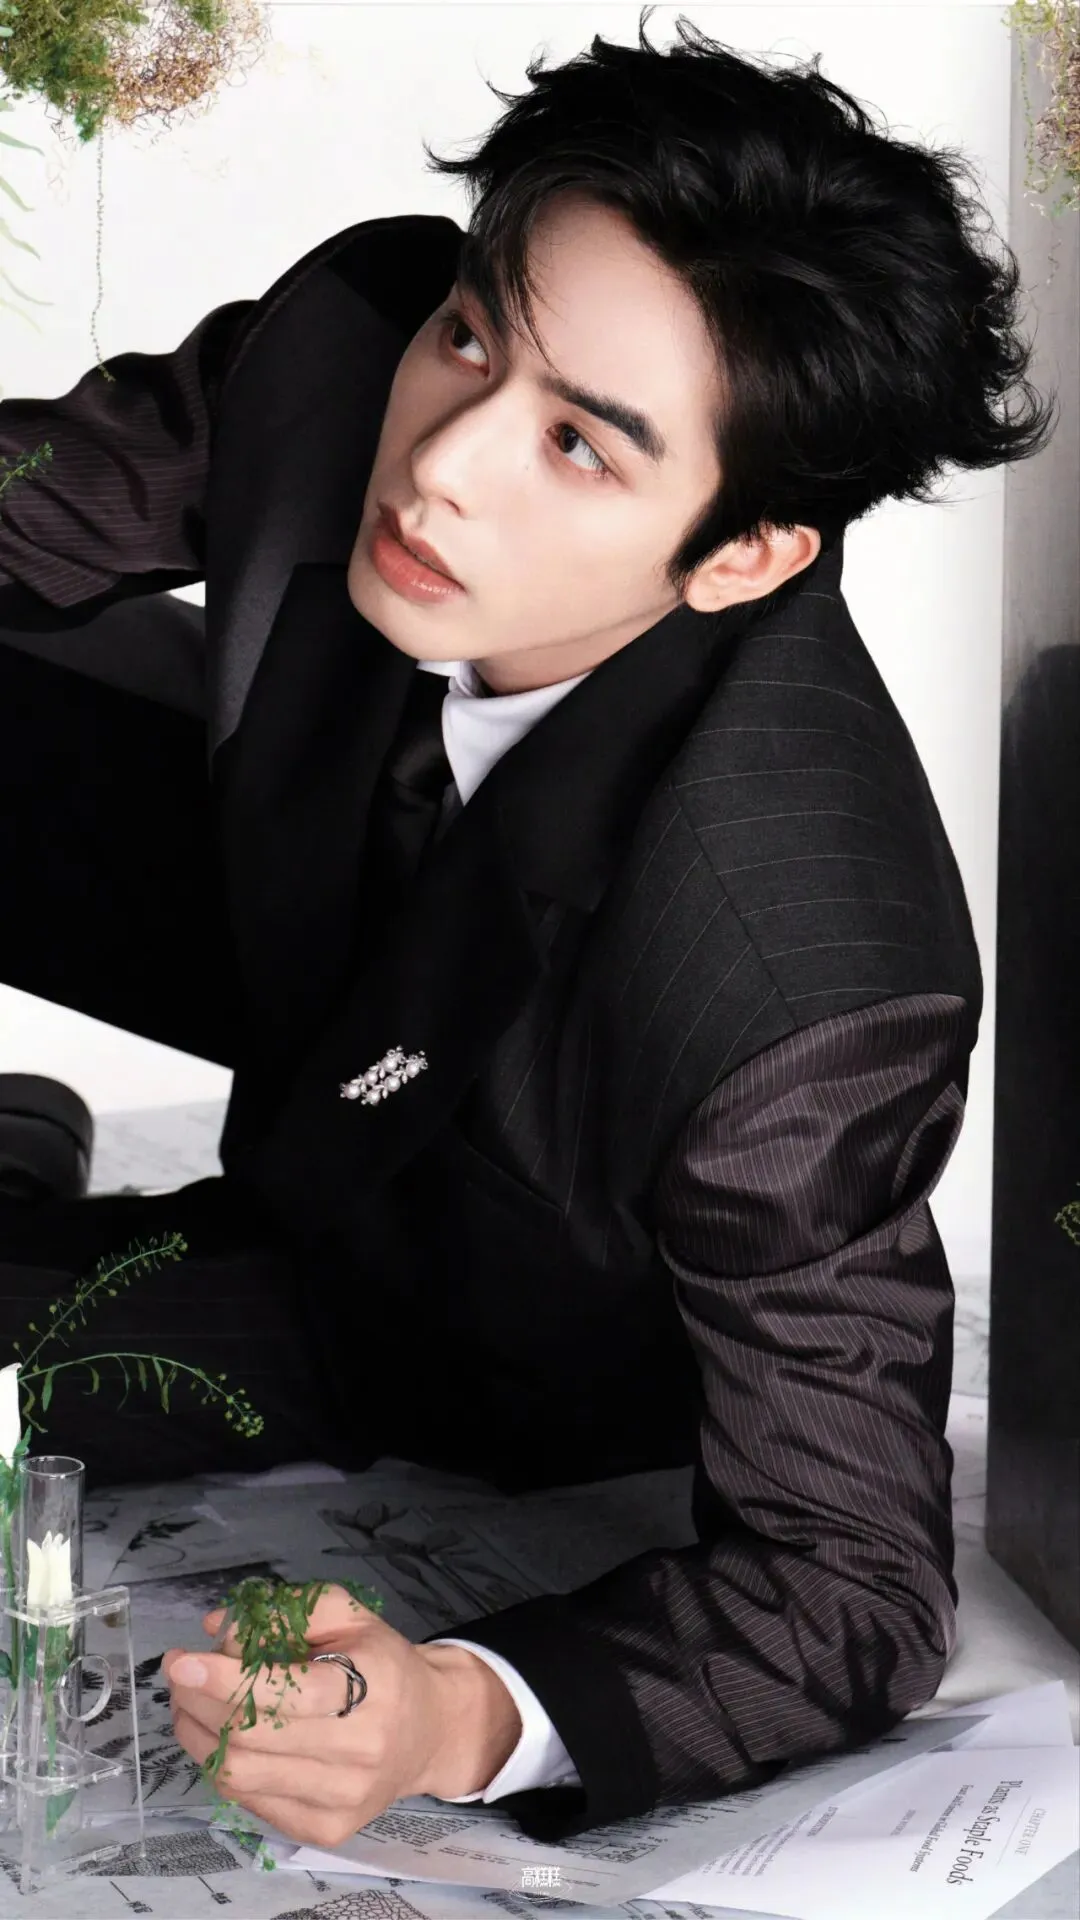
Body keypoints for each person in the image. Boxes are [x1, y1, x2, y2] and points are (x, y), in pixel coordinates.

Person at [0, 8, 1055, 1852]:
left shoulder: (804, 984)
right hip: (285, 893)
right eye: (476, 337)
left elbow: (856, 1583)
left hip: (430, 1293)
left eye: (581, 446)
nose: (445, 465)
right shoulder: (356, 354)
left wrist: (454, 1711)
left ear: (745, 553)